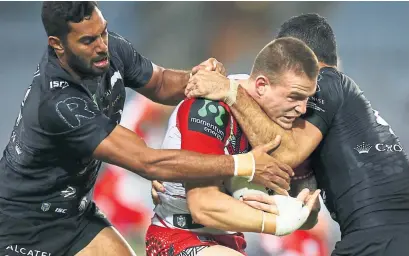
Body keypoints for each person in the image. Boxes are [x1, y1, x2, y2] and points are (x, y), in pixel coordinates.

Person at [0, 2, 294, 256]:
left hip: (74, 216)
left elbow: (161, 82)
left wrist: (204, 80)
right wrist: (245, 164)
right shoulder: (59, 103)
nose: (103, 45)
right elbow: (148, 162)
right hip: (21, 226)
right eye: (88, 41)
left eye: (103, 31)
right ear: (57, 44)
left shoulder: (109, 51)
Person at [186, 13, 409, 256]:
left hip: (378, 238)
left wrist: (229, 90)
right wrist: (178, 175)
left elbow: (284, 154)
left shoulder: (326, 82)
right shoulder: (342, 105)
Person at [146, 37, 322, 256]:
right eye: (295, 96)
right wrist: (278, 224)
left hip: (230, 242)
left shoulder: (281, 122)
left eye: (307, 99)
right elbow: (203, 204)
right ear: (261, 85)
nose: (302, 109)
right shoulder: (210, 106)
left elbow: (301, 213)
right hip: (179, 236)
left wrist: (304, 212)